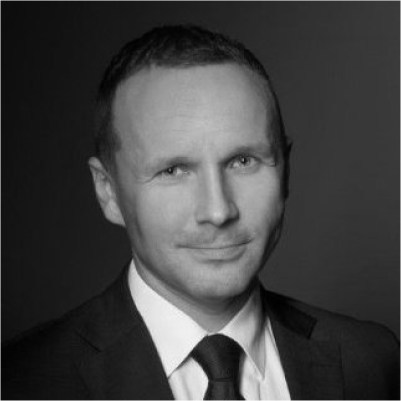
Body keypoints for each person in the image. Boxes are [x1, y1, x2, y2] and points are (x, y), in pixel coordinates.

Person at [0, 24, 399, 401]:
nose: (218, 210)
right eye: (174, 170)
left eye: (243, 161)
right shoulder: (22, 382)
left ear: (286, 170)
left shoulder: (374, 362)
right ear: (108, 191)